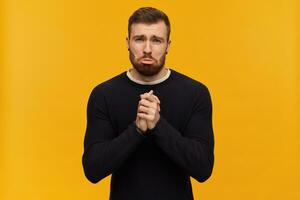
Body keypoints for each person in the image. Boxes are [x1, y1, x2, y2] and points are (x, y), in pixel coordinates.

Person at [82, 7, 214, 200]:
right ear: (128, 42)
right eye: (139, 39)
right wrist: (137, 130)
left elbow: (203, 168)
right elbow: (93, 170)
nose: (147, 49)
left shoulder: (195, 93)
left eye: (156, 40)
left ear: (168, 45)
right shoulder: (104, 94)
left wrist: (158, 125)